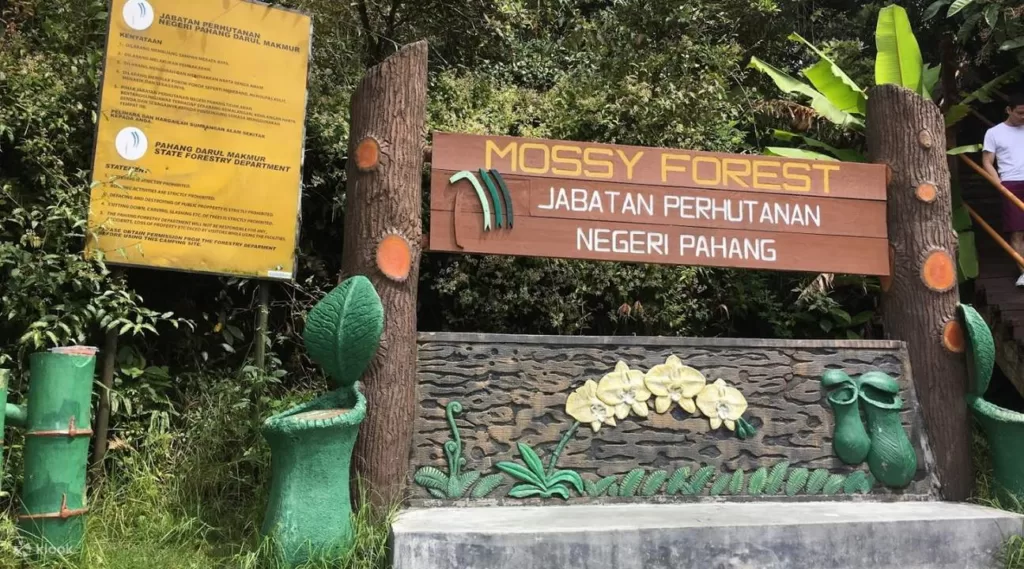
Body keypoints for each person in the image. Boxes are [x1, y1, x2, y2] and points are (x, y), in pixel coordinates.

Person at [983, 93, 1024, 287]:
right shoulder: (994, 133)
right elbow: (987, 162)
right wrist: (999, 184)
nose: (1023, 117)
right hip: (1011, 183)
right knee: (1017, 231)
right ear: (1008, 110)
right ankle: (1023, 271)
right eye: (1020, 113)